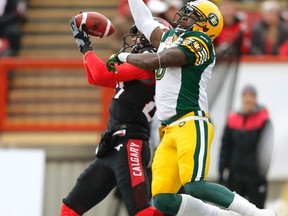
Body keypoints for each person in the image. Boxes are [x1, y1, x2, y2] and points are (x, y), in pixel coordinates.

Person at [106, 0, 277, 215]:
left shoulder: (201, 42)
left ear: (205, 25)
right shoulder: (171, 38)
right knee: (163, 200)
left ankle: (258, 213)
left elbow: (159, 60)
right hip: (168, 129)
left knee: (196, 185)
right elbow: (144, 21)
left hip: (190, 122)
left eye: (192, 15)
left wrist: (123, 57)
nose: (183, 17)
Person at [61, 15, 172, 216]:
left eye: (139, 35)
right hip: (113, 144)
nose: (135, 39)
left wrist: (85, 44)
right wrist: (84, 46)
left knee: (142, 212)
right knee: (70, 208)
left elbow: (101, 73)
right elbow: (94, 77)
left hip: (131, 143)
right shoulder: (145, 63)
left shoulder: (150, 63)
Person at [219, 85, 273, 209]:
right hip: (235, 175)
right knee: (234, 210)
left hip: (255, 177)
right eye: (246, 96)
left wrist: (262, 173)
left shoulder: (263, 121)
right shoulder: (232, 120)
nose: (248, 100)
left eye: (251, 97)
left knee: (257, 210)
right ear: (242, 98)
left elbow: (267, 150)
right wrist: (222, 170)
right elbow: (225, 147)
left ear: (255, 99)